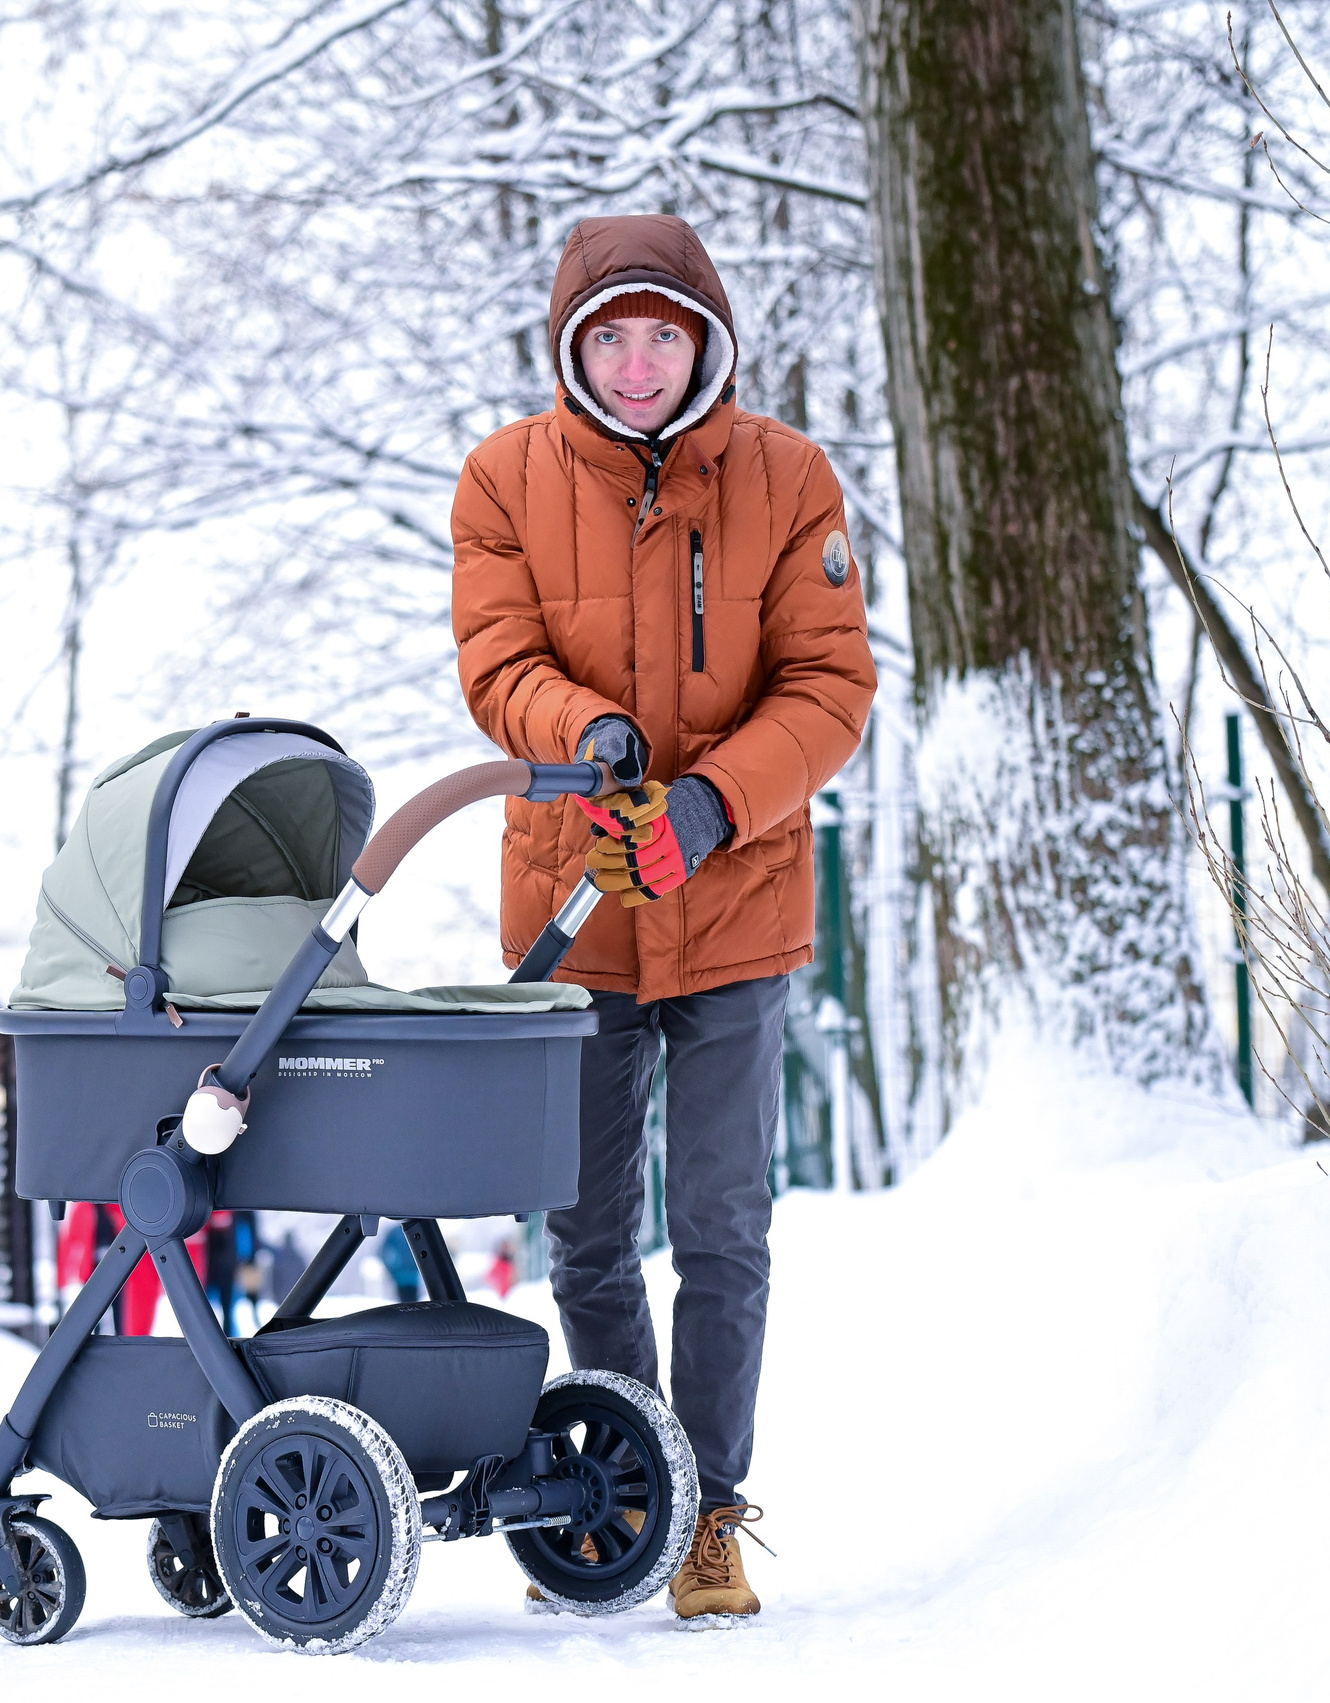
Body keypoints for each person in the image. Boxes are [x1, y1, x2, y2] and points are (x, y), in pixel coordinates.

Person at [451, 213, 877, 1625]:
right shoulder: (504, 477)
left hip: (736, 895)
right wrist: (595, 734)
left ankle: (705, 1509)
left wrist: (712, 804)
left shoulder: (787, 475)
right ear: (574, 345)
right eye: (612, 337)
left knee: (722, 1220)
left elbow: (830, 687)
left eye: (665, 334)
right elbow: (496, 658)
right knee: (583, 1227)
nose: (639, 365)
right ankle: (617, 1482)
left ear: (705, 339)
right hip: (578, 895)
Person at [380, 1223, 423, 1305]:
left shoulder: (394, 1232)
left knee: (405, 1305)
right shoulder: (414, 1229)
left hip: (405, 1276)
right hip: (404, 1276)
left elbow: (384, 1252)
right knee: (413, 1304)